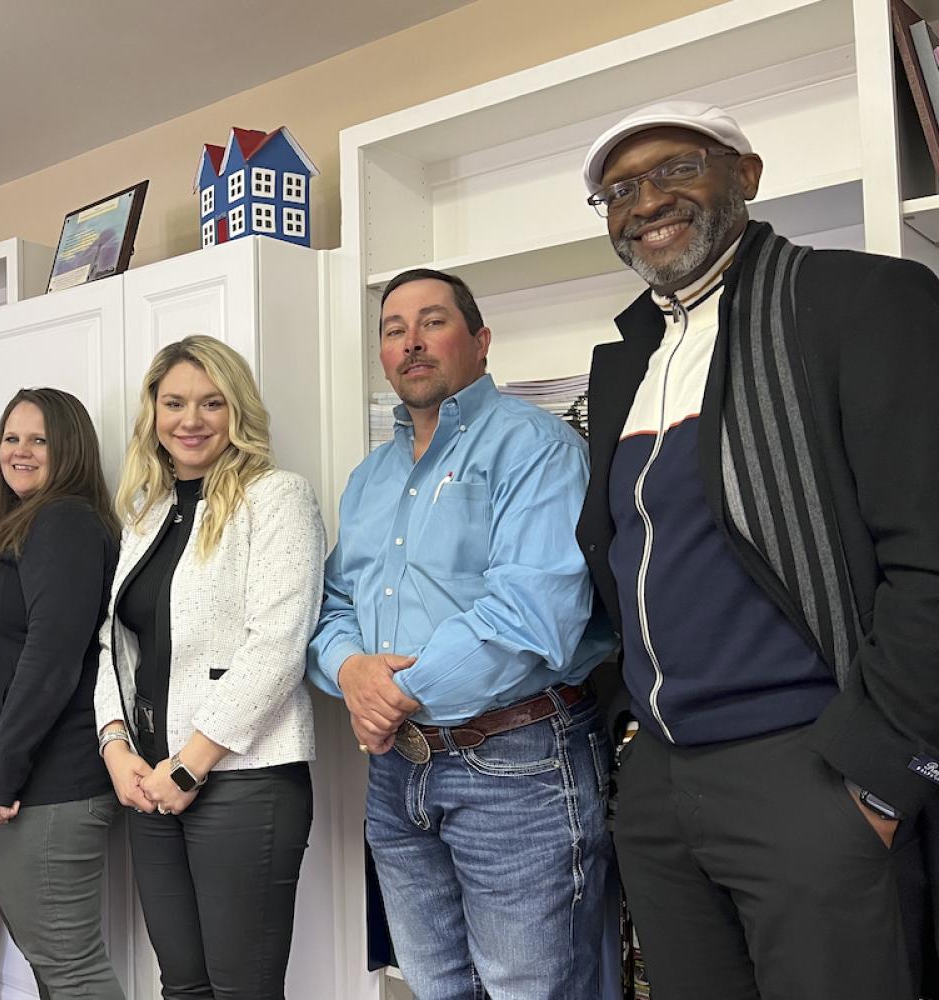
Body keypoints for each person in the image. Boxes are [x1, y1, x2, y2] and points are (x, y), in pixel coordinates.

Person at [576, 101, 939, 999]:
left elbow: (930, 557)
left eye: (676, 168)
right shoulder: (627, 359)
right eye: (619, 189)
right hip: (660, 778)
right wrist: (632, 746)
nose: (646, 200)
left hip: (812, 769)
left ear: (746, 174)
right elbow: (623, 557)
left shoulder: (857, 300)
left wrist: (879, 780)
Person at [308, 268, 614, 999]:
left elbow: (529, 615)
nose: (411, 341)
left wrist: (389, 695)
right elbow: (331, 605)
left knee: (528, 988)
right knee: (434, 984)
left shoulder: (535, 446)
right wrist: (352, 673)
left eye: (432, 322)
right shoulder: (369, 477)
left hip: (517, 765)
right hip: (396, 775)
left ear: (479, 341)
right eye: (393, 329)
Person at [94, 335, 324, 999]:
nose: (190, 420)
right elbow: (113, 644)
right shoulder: (145, 510)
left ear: (237, 412)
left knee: (241, 989)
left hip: (241, 778)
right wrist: (116, 747)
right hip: (149, 779)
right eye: (174, 403)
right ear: (153, 414)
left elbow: (278, 644)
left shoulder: (277, 497)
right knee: (183, 986)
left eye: (210, 402)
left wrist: (192, 763)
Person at [0, 388, 123, 1000]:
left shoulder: (65, 522)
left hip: (48, 783)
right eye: (11, 437)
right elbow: (2, 651)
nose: (20, 451)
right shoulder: (23, 524)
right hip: (18, 775)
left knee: (71, 967)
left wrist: (1, 774)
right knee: (54, 965)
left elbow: (51, 660)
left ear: (71, 450)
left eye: (39, 440)